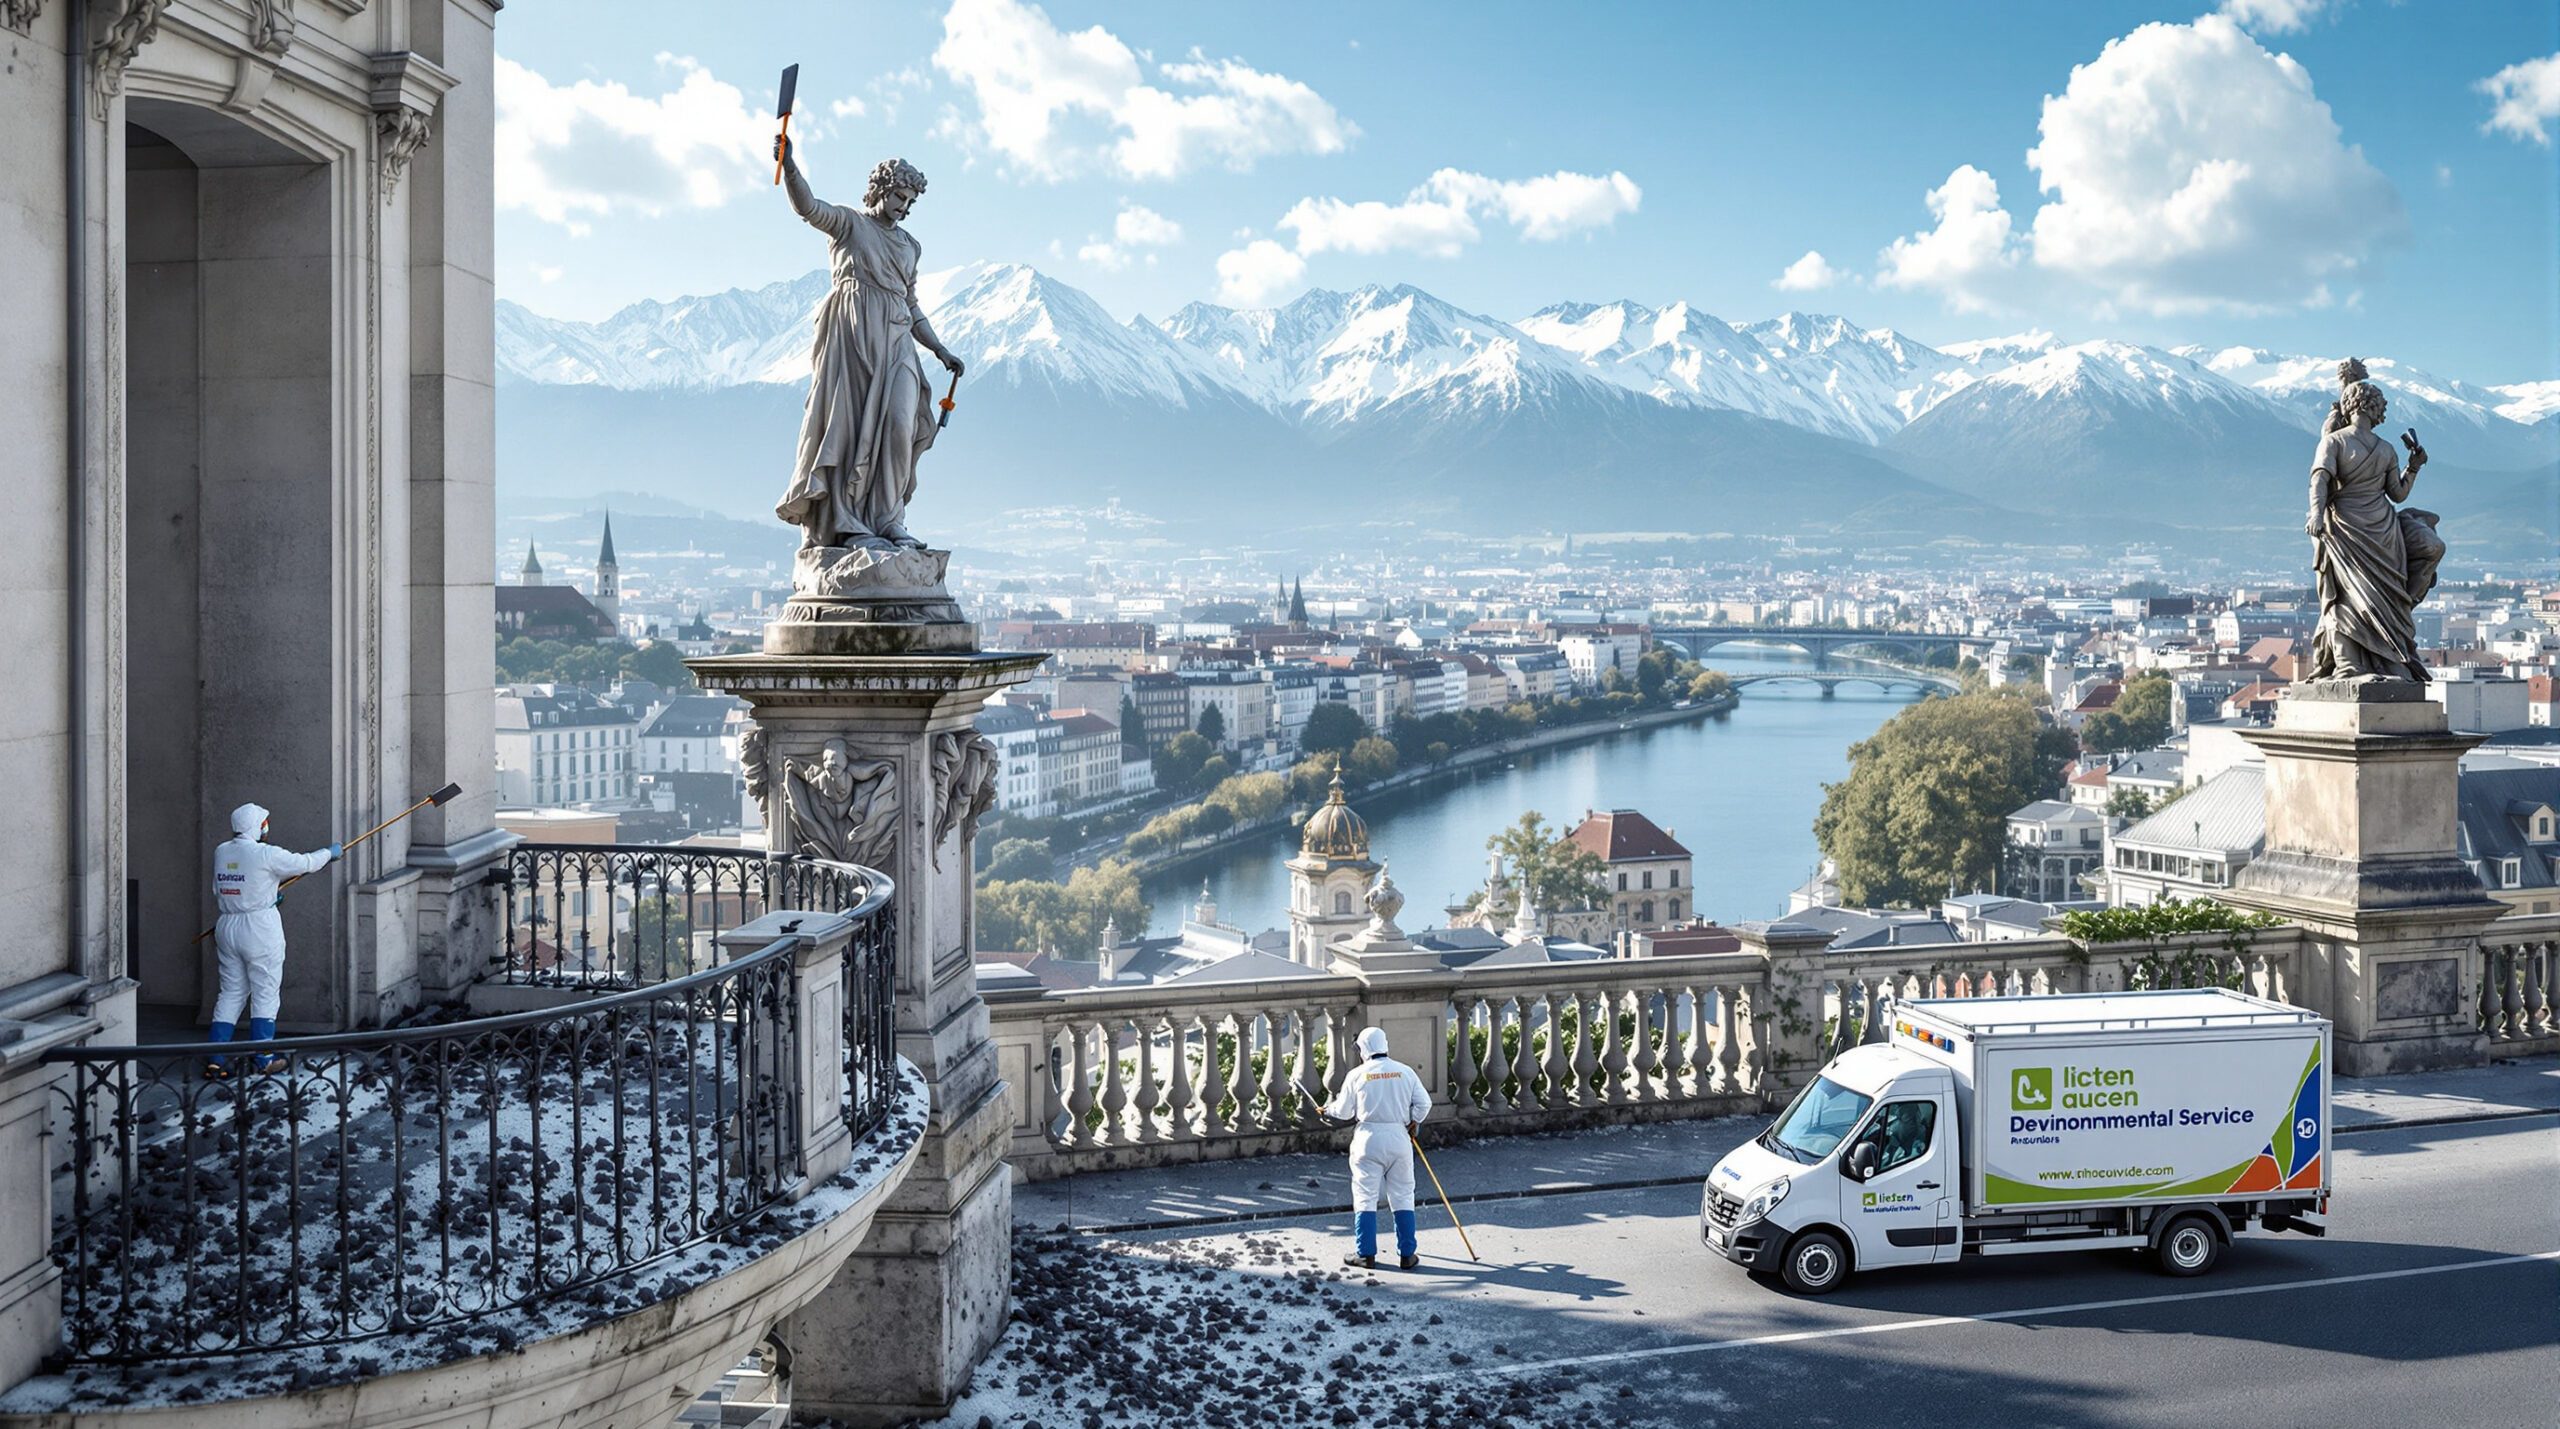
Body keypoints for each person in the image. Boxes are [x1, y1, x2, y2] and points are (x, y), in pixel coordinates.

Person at [771, 136, 965, 552]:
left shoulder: (910, 246)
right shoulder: (850, 225)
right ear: (880, 189)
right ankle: (848, 519)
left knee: (900, 424)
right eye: (899, 196)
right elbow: (808, 207)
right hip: (853, 340)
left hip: (896, 341)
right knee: (848, 429)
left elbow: (910, 304)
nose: (905, 206)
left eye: (911, 201)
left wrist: (939, 349)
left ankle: (889, 518)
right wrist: (789, 166)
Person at [2306, 379, 2433, 683]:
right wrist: (2413, 468)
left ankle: (2360, 663)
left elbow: (2320, 481)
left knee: (2346, 595)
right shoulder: (2386, 449)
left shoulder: (2334, 442)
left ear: (2350, 406)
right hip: (2381, 530)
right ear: (2375, 409)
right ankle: (2362, 662)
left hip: (2347, 526)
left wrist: (2318, 515)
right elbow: (2399, 494)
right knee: (2379, 597)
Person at [206, 803, 338, 1077]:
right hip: (258, 927)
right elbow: (306, 863)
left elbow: (225, 886)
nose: (267, 827)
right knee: (265, 989)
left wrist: (268, 891)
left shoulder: (222, 851)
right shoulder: (266, 853)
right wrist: (331, 853)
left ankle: (215, 1058)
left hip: (227, 925)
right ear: (258, 826)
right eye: (265, 822)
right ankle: (264, 1056)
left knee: (231, 992)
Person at [1326, 1026, 1432, 1269]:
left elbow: (1343, 1111)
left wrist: (1328, 1110)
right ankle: (1407, 1254)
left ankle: (1366, 1254)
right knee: (1403, 1194)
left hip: (1368, 1138)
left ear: (1363, 1048)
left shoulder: (1357, 1074)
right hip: (1398, 1136)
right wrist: (1411, 1120)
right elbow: (1424, 1104)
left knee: (1365, 1196)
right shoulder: (1404, 1071)